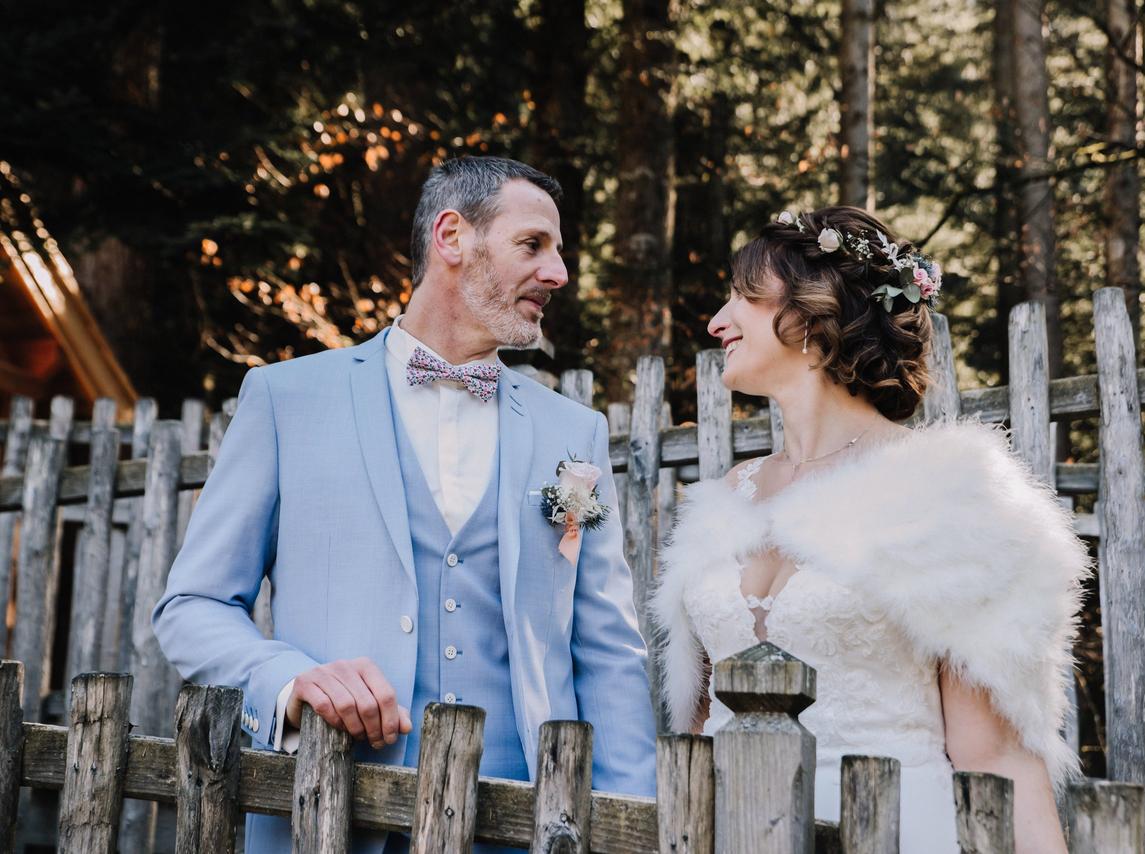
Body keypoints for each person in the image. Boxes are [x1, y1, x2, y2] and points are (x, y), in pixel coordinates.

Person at [154, 156, 656, 853]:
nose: (558, 274)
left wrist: (630, 821)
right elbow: (193, 607)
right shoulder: (286, 400)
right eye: (533, 245)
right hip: (330, 812)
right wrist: (291, 680)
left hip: (524, 823)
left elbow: (605, 645)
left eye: (559, 252)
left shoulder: (574, 436)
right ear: (452, 238)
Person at [651, 207, 1088, 853]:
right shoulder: (721, 502)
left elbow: (994, 756)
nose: (717, 321)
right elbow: (693, 728)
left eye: (743, 296)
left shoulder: (944, 497)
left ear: (811, 315)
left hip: (889, 831)